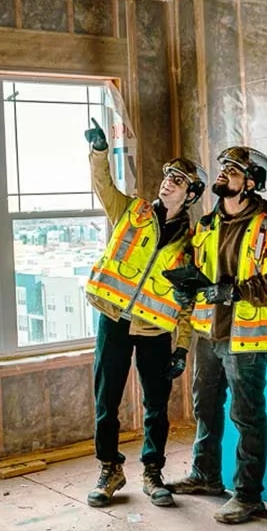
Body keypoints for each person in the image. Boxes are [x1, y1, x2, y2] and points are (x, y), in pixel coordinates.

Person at [164, 146, 267, 524]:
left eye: (233, 170)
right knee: (205, 408)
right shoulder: (207, 224)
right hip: (209, 333)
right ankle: (206, 476)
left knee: (246, 415)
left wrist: (236, 291)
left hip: (246, 339)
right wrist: (185, 288)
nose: (222, 173)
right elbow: (195, 267)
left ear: (251, 183)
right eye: (223, 167)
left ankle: (248, 495)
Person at [82, 118, 206, 508]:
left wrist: (183, 347)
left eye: (178, 180)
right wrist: (99, 153)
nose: (168, 182)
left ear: (190, 195)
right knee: (107, 400)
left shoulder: (192, 241)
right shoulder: (132, 212)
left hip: (155, 329)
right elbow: (103, 186)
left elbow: (189, 300)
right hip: (114, 319)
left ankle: (153, 472)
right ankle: (109, 469)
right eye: (168, 176)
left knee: (156, 404)